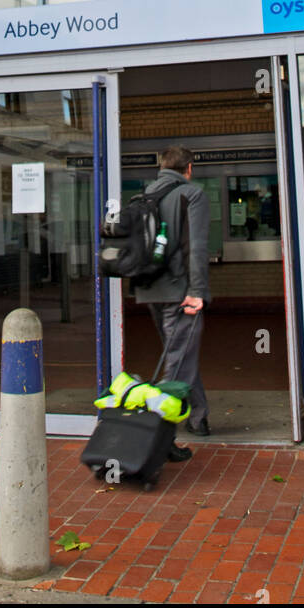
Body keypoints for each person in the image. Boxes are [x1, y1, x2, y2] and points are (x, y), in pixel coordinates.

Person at [133, 145, 211, 461]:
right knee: (177, 364)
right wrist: (198, 290)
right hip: (181, 291)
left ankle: (198, 418)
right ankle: (156, 439)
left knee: (181, 356)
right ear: (188, 168)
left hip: (150, 289)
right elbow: (196, 247)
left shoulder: (144, 196)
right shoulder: (191, 194)